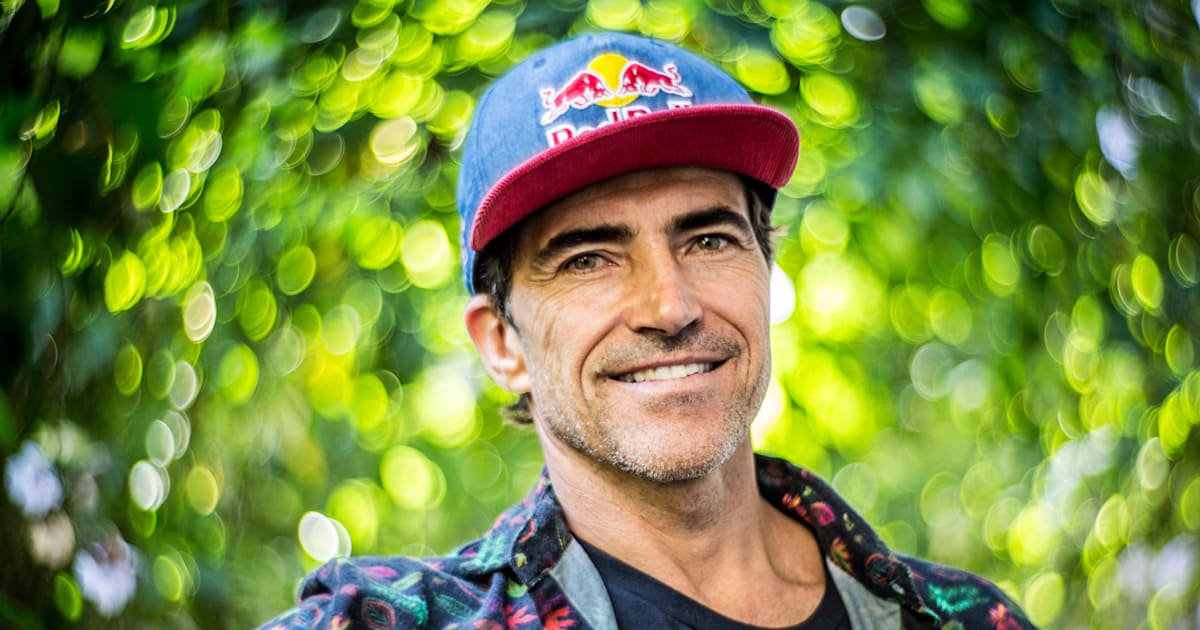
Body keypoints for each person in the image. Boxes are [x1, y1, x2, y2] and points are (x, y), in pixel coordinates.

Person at [261, 32, 1035, 629]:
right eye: (588, 259)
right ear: (502, 344)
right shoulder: (393, 620)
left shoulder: (962, 618)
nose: (670, 307)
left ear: (767, 273)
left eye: (709, 240)